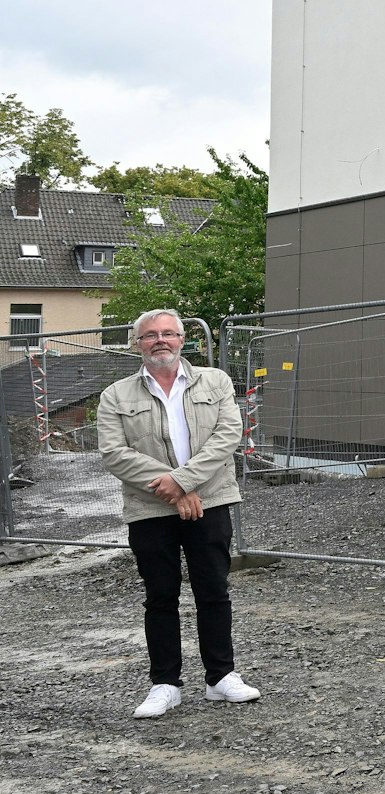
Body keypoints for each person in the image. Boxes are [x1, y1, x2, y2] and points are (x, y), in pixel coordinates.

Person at [95, 308, 260, 720]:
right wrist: (174, 488)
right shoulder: (115, 395)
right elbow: (115, 454)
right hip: (150, 508)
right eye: (150, 335)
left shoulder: (215, 381)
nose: (160, 340)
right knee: (160, 596)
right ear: (138, 344)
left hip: (211, 500)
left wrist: (185, 481)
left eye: (169, 333)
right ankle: (165, 684)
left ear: (183, 339)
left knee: (213, 591)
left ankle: (220, 678)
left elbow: (227, 436)